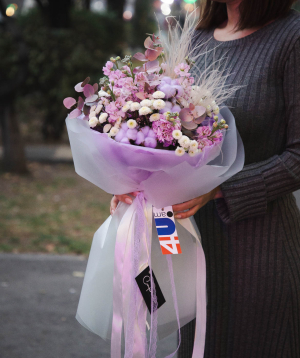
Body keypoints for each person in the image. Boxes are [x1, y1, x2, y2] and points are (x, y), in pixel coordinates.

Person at [110, 0, 300, 356]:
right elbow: (165, 132)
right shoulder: (195, 39)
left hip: (260, 257)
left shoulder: (292, 38)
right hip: (186, 249)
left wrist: (220, 190)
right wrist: (136, 183)